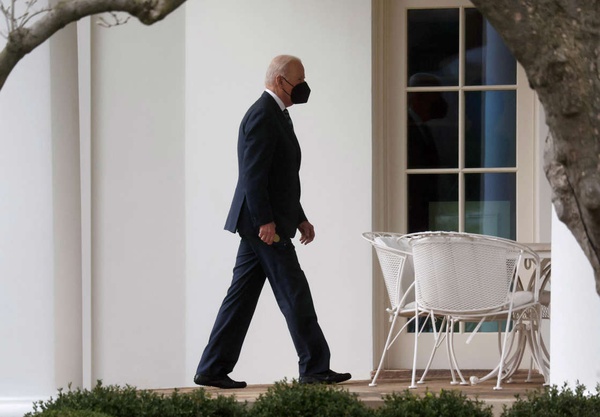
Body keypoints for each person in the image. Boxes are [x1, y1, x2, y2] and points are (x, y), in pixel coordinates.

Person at [193, 55, 351, 389]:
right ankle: (315, 368)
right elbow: (253, 174)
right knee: (295, 292)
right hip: (263, 225)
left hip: (266, 221)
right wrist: (266, 220)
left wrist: (301, 218)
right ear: (280, 81)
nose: (304, 86)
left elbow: (280, 178)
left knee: (240, 298)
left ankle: (212, 368)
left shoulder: (277, 115)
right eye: (299, 80)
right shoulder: (264, 115)